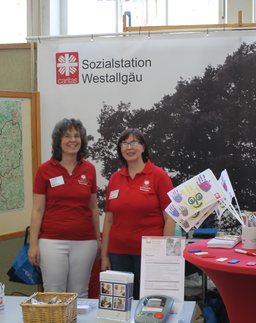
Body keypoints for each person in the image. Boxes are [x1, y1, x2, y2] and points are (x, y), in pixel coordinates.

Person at [28, 118, 100, 298]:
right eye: (67, 135)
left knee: (80, 294)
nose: (72, 140)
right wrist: (33, 244)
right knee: (53, 294)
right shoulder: (44, 170)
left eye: (77, 135)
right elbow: (37, 210)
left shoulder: (89, 169)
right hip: (52, 242)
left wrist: (97, 239)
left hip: (85, 242)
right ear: (58, 141)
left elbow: (93, 208)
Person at [100, 128, 175, 299]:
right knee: (122, 302)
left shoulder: (159, 176)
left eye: (134, 142)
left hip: (150, 253)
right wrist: (105, 255)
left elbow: (170, 217)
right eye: (124, 143)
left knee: (150, 301)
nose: (129, 147)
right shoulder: (115, 179)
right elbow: (109, 220)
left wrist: (165, 253)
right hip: (118, 253)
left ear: (143, 147)